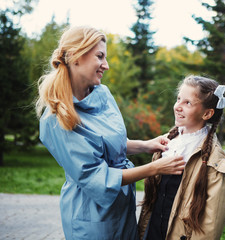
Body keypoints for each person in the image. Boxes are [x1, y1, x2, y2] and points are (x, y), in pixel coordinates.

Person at [35, 26, 185, 240]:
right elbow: (97, 177)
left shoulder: (102, 93)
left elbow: (110, 144)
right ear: (76, 57)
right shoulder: (55, 118)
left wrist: (145, 145)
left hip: (122, 206)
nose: (106, 65)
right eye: (100, 56)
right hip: (91, 212)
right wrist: (155, 168)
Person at [138, 75, 225, 240]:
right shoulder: (168, 143)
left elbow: (210, 226)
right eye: (178, 99)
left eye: (188, 103)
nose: (178, 106)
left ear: (207, 113)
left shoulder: (214, 162)